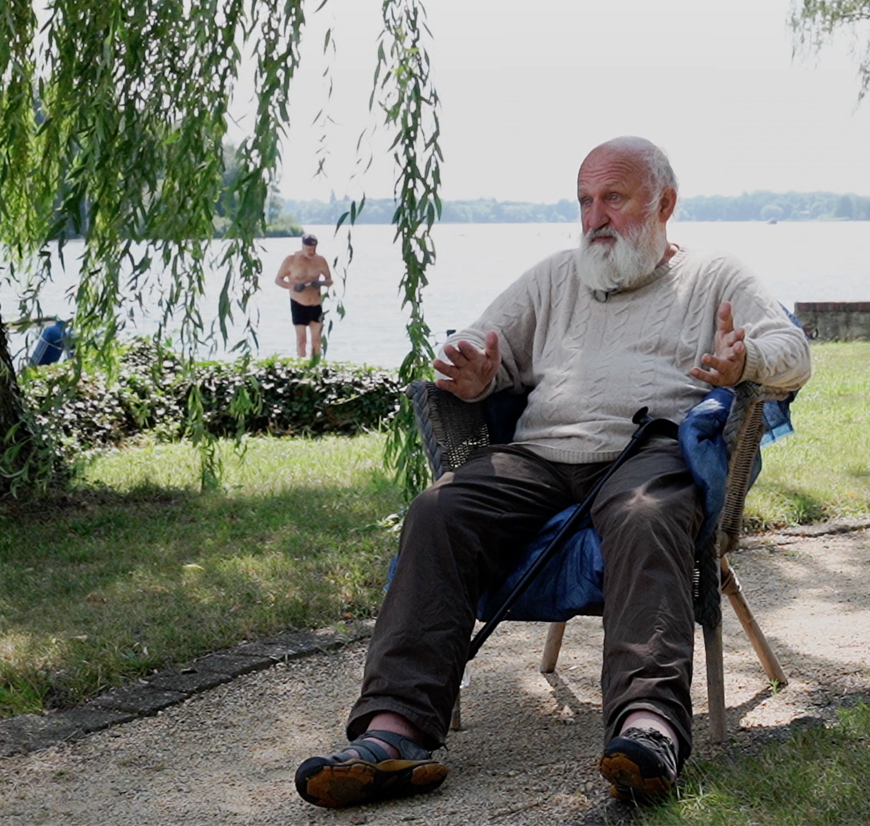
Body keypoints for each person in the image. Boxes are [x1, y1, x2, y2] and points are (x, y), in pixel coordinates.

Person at [293, 137, 812, 808]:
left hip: (646, 451)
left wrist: (743, 365)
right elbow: (481, 346)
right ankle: (393, 733)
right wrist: (477, 376)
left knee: (647, 516)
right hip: (537, 457)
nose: (596, 216)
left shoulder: (716, 276)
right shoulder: (554, 276)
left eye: (614, 199)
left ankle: (647, 729)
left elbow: (790, 351)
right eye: (585, 200)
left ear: (666, 203)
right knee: (438, 511)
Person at [274, 233, 333, 360]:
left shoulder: (320, 260)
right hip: (298, 303)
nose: (311, 252)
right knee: (301, 340)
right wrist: (293, 286)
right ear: (302, 246)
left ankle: (315, 367)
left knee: (316, 340)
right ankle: (301, 367)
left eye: (314, 249)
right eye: (308, 249)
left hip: (316, 304)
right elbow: (278, 280)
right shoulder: (291, 260)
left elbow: (329, 281)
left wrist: (321, 283)